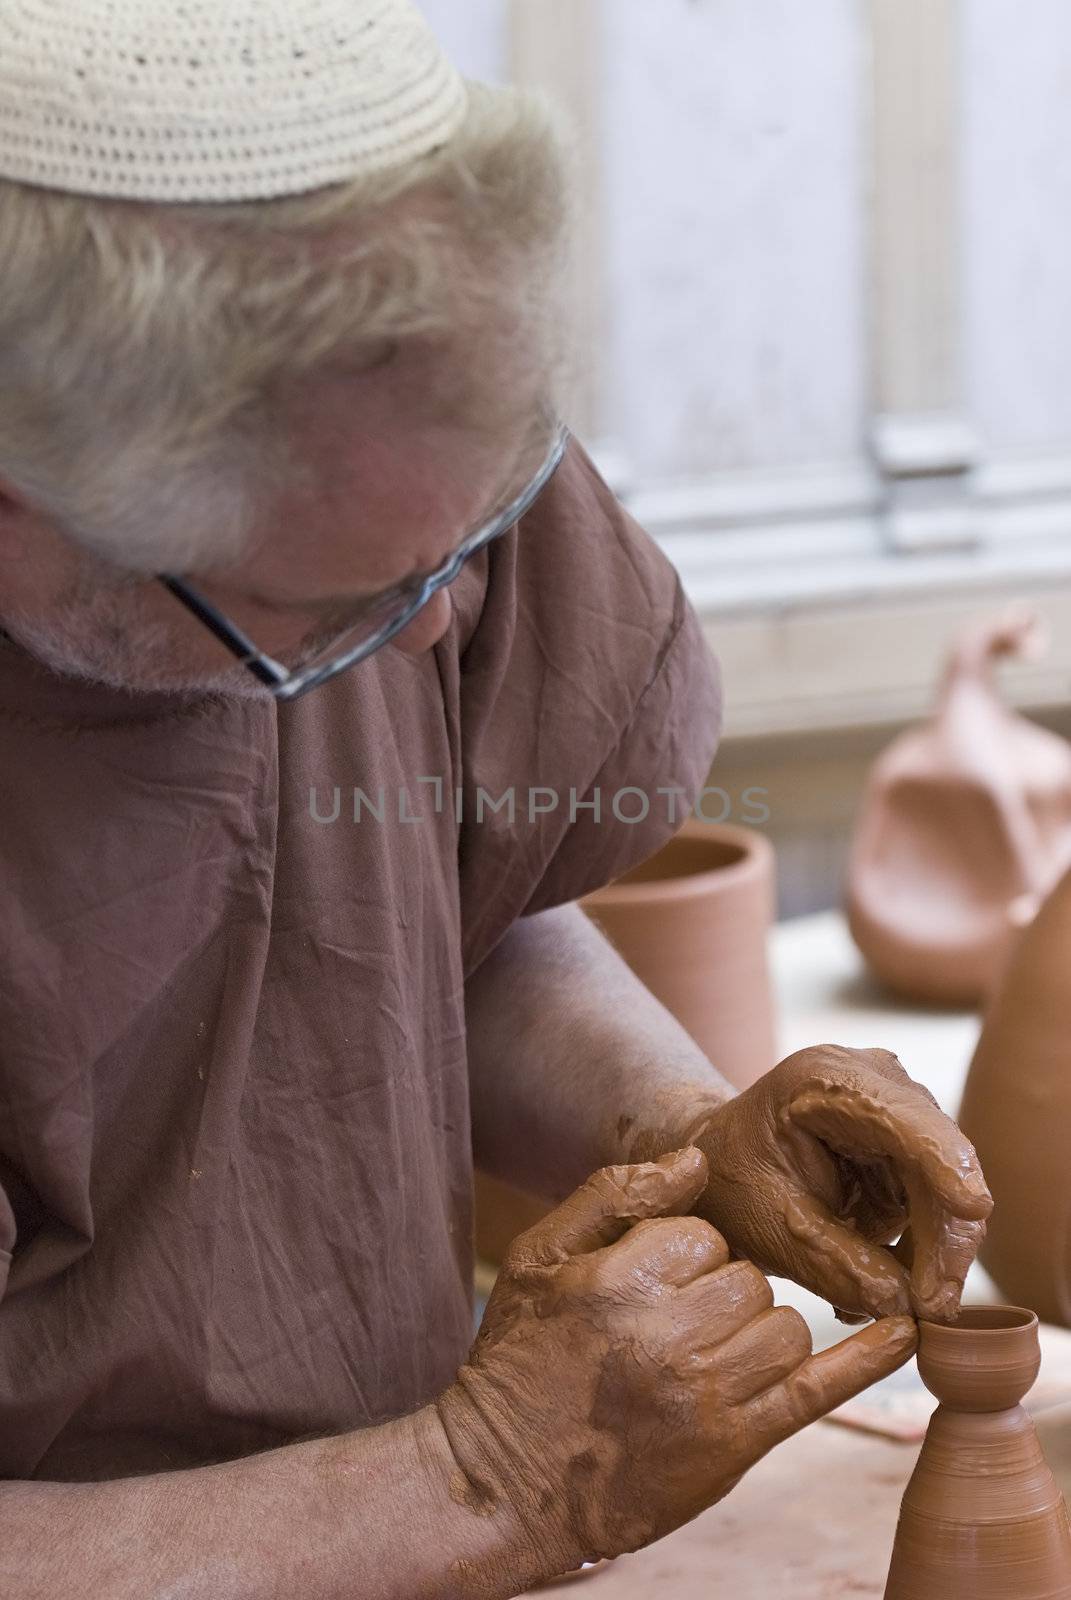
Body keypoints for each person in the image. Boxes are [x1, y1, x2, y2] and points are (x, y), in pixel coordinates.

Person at [0, 3, 991, 1595]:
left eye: (489, 531)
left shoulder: (387, 451)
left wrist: (690, 1126)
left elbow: (442, 919)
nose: (453, 621)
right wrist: (482, 1481)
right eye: (363, 607)